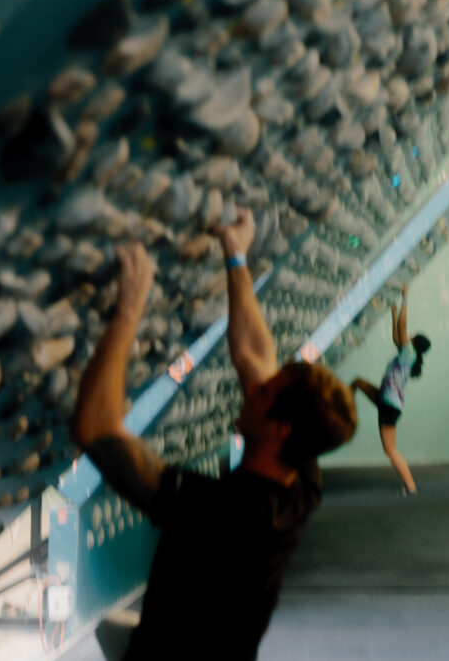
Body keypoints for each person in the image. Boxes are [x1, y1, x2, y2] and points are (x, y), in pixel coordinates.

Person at [71, 211, 358, 661]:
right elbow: (254, 356)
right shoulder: (299, 482)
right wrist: (235, 253)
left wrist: (129, 308)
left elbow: (94, 428)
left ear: (280, 430)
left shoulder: (220, 513)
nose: (254, 386)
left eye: (265, 392)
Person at [350, 285, 431, 495]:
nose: (407, 336)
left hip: (389, 403)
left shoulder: (409, 354)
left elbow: (402, 329)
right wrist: (393, 311)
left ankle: (411, 486)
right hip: (385, 398)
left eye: (411, 336)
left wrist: (405, 300)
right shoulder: (406, 354)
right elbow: (397, 336)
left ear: (414, 342)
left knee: (390, 449)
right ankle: (344, 407)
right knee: (358, 382)